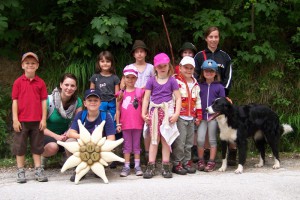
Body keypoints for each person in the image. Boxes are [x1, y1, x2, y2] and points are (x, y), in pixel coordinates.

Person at [194, 26, 236, 165]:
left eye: (216, 36)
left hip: (222, 98)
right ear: (206, 38)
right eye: (210, 36)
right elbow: (195, 76)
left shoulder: (225, 56)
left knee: (228, 124)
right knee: (206, 125)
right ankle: (205, 154)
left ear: (219, 38)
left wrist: (223, 95)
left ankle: (232, 152)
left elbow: (228, 77)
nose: (213, 39)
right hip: (203, 95)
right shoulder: (199, 56)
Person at [142, 53, 181, 179]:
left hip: (167, 112)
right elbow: (146, 98)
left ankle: (165, 166)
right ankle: (151, 165)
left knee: (166, 140)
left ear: (169, 66)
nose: (162, 68)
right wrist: (144, 113)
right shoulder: (151, 80)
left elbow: (178, 98)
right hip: (154, 113)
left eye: (165, 65)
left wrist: (176, 113)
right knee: (154, 139)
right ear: (155, 68)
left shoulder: (172, 80)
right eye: (159, 66)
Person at [12, 52, 48, 183]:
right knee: (20, 145)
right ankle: (21, 170)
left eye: (33, 63)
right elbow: (15, 101)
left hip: (37, 120)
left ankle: (38, 169)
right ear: (22, 65)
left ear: (37, 66)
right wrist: (15, 119)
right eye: (27, 63)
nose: (30, 65)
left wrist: (43, 119)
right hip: (22, 121)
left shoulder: (41, 83)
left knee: (37, 146)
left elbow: (44, 101)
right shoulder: (18, 82)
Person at [67, 89, 116, 182]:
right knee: (69, 142)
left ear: (100, 103)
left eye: (95, 100)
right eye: (90, 100)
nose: (92, 102)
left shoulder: (106, 116)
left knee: (110, 147)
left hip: (99, 148)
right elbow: (71, 133)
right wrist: (86, 138)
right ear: (85, 103)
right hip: (83, 147)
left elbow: (111, 139)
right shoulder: (80, 115)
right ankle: (79, 169)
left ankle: (99, 168)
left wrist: (97, 143)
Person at [120, 40, 154, 164]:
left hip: (148, 101)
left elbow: (155, 83)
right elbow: (122, 86)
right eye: (137, 52)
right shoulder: (129, 68)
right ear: (133, 54)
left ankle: (146, 152)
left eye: (142, 51)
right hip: (131, 102)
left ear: (145, 53)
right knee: (131, 127)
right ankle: (132, 155)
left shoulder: (151, 68)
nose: (139, 54)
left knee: (146, 128)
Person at [41, 73, 83, 168]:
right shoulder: (48, 100)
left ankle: (66, 155)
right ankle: (42, 155)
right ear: (61, 85)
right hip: (47, 134)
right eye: (66, 85)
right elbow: (40, 126)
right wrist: (56, 136)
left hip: (66, 134)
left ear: (76, 88)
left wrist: (68, 133)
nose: (69, 88)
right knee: (53, 147)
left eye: (72, 85)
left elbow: (77, 122)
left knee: (75, 139)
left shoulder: (77, 102)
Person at [172, 56, 202, 175]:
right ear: (180, 67)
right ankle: (177, 163)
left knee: (189, 142)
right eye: (186, 68)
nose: (188, 70)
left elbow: (198, 100)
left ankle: (187, 162)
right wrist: (173, 113)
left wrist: (198, 116)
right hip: (180, 116)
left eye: (191, 68)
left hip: (191, 117)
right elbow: (172, 98)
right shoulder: (175, 81)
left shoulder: (195, 83)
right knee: (180, 141)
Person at [116, 65, 145, 177]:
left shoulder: (140, 92)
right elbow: (118, 110)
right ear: (123, 78)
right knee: (127, 145)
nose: (130, 80)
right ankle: (126, 166)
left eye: (133, 77)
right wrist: (118, 123)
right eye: (128, 77)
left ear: (136, 79)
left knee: (136, 145)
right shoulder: (120, 94)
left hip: (137, 123)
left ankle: (137, 166)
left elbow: (144, 106)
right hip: (125, 123)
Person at [197, 59, 225, 172]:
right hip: (202, 117)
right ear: (203, 72)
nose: (209, 73)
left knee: (212, 139)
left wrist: (219, 117)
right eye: (206, 71)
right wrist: (196, 115)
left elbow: (222, 104)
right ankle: (200, 160)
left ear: (216, 73)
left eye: (211, 71)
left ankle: (211, 161)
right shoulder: (199, 85)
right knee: (200, 139)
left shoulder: (220, 87)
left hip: (213, 117)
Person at [90, 50, 120, 126]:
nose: (105, 63)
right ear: (99, 63)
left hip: (111, 104)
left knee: (111, 124)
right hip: (99, 104)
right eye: (102, 61)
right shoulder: (95, 77)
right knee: (98, 125)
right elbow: (91, 94)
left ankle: (111, 137)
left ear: (111, 63)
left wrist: (117, 110)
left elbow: (117, 96)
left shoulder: (115, 78)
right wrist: (91, 107)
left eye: (107, 61)